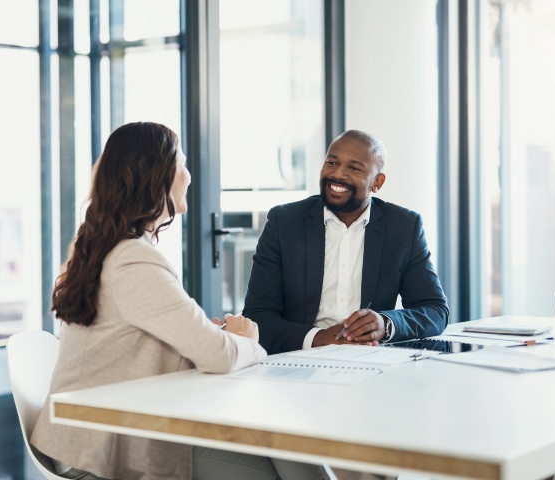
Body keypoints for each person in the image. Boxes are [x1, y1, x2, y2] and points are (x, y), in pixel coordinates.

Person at [31, 122, 321, 480]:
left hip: (99, 433)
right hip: (99, 448)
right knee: (280, 459)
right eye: (182, 165)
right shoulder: (133, 261)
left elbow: (137, 346)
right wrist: (246, 340)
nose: (188, 175)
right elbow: (219, 355)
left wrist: (209, 341)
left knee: (287, 446)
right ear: (158, 177)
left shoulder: (109, 248)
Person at [243, 129, 448, 355]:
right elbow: (257, 314)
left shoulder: (403, 227)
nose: (338, 174)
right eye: (331, 162)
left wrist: (385, 324)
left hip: (371, 359)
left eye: (354, 168)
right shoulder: (284, 222)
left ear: (377, 182)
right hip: (298, 357)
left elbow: (434, 310)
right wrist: (318, 338)